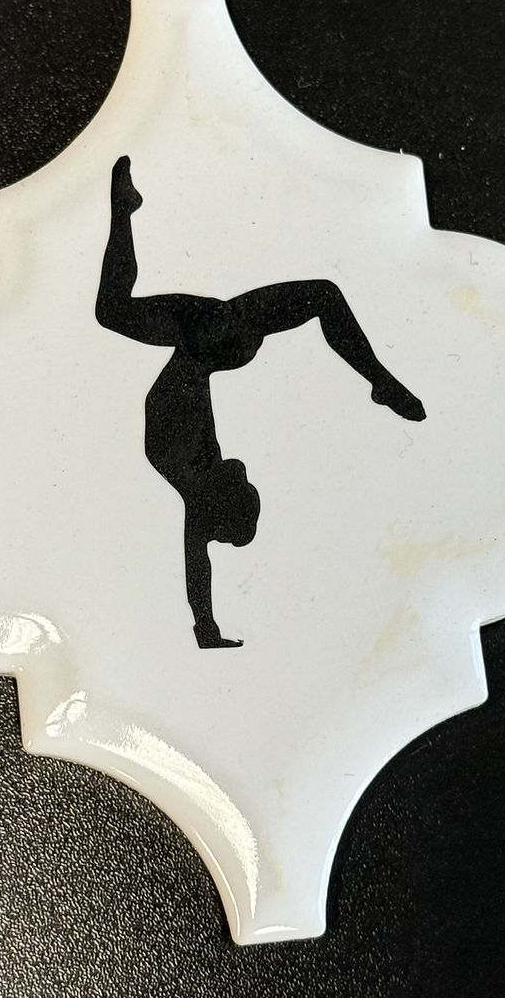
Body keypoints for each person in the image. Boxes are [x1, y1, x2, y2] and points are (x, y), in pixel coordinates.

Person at [96, 156, 426, 648]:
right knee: (322, 295)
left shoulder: (189, 471)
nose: (245, 469)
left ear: (220, 499)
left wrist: (206, 629)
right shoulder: (195, 484)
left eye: (244, 485)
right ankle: (379, 380)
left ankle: (124, 208)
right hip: (210, 341)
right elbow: (197, 563)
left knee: (113, 310)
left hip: (207, 339)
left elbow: (197, 565)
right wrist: (206, 628)